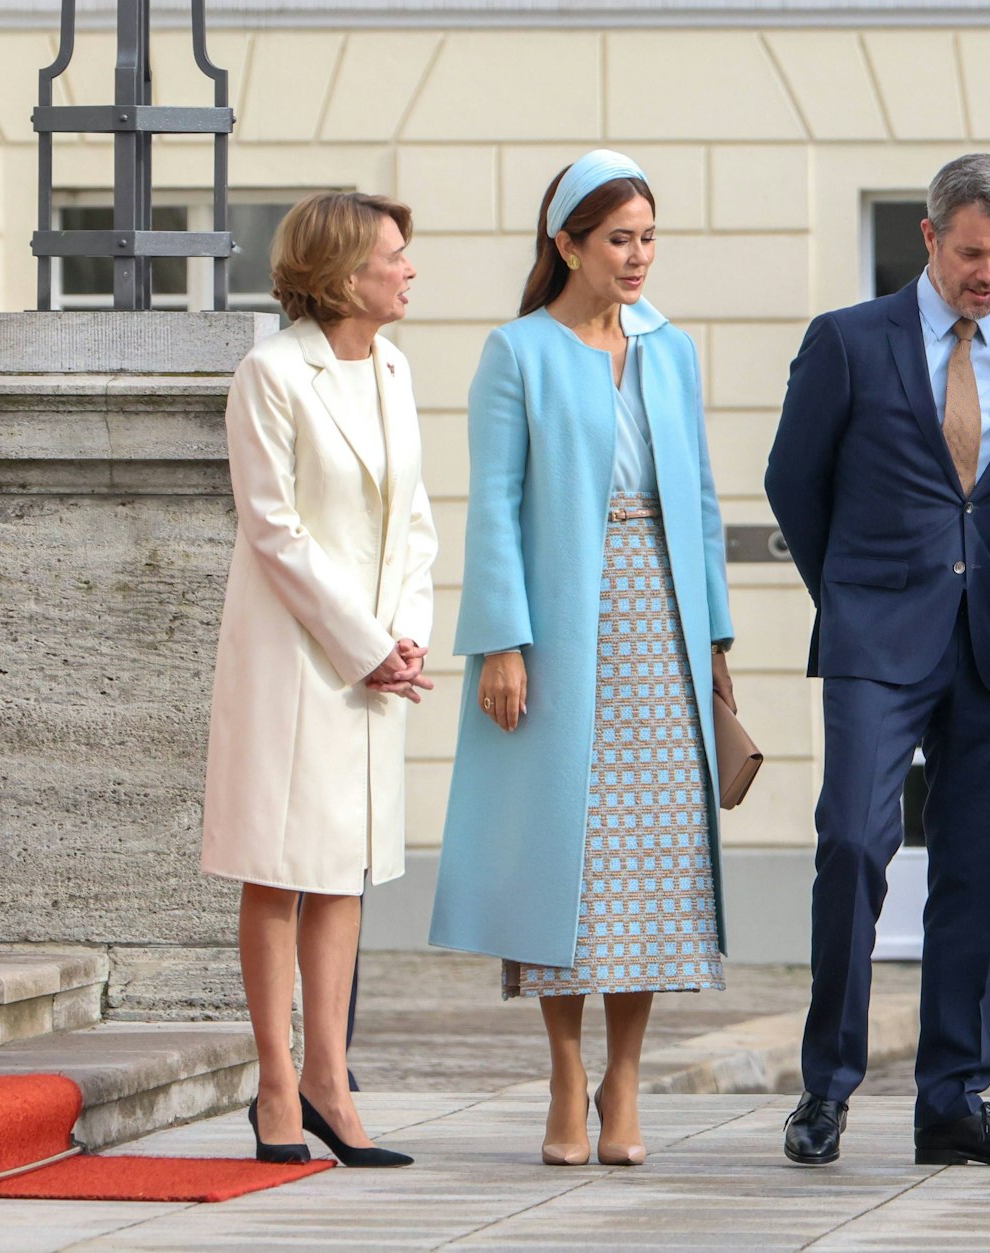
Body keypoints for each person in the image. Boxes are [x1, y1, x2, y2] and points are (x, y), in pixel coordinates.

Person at [428, 151, 736, 1169]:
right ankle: (565, 1071)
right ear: (566, 244)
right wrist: (500, 644)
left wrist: (718, 639)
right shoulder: (515, 351)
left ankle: (627, 1076)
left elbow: (695, 502)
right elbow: (495, 506)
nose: (638, 256)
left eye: (648, 237)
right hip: (559, 623)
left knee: (649, 863)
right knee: (561, 858)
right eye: (619, 238)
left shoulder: (671, 349)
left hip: (661, 620)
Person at [766, 154, 990, 1169]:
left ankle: (952, 1098)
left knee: (975, 871)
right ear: (930, 234)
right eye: (974, 252)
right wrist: (853, 592)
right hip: (874, 638)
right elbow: (793, 480)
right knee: (852, 841)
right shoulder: (848, 340)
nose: (988, 273)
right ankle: (826, 1088)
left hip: (986, 634)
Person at [202, 191, 438, 1168]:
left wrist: (406, 634)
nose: (408, 270)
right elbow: (274, 528)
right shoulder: (270, 373)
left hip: (373, 660)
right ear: (343, 274)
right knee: (280, 862)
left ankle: (330, 1081)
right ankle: (273, 1083)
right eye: (394, 256)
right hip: (295, 656)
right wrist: (360, 640)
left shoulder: (391, 366)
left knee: (344, 865)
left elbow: (414, 518)